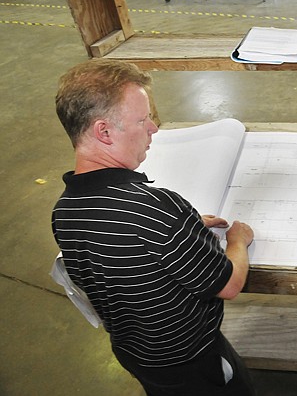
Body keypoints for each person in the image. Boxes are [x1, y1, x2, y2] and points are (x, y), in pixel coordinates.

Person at [51, 59, 256, 396]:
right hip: (193, 363)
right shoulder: (155, 210)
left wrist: (181, 231)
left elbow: (121, 249)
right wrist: (237, 240)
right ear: (104, 131)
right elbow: (229, 284)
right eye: (143, 119)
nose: (154, 129)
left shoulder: (64, 210)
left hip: (136, 355)